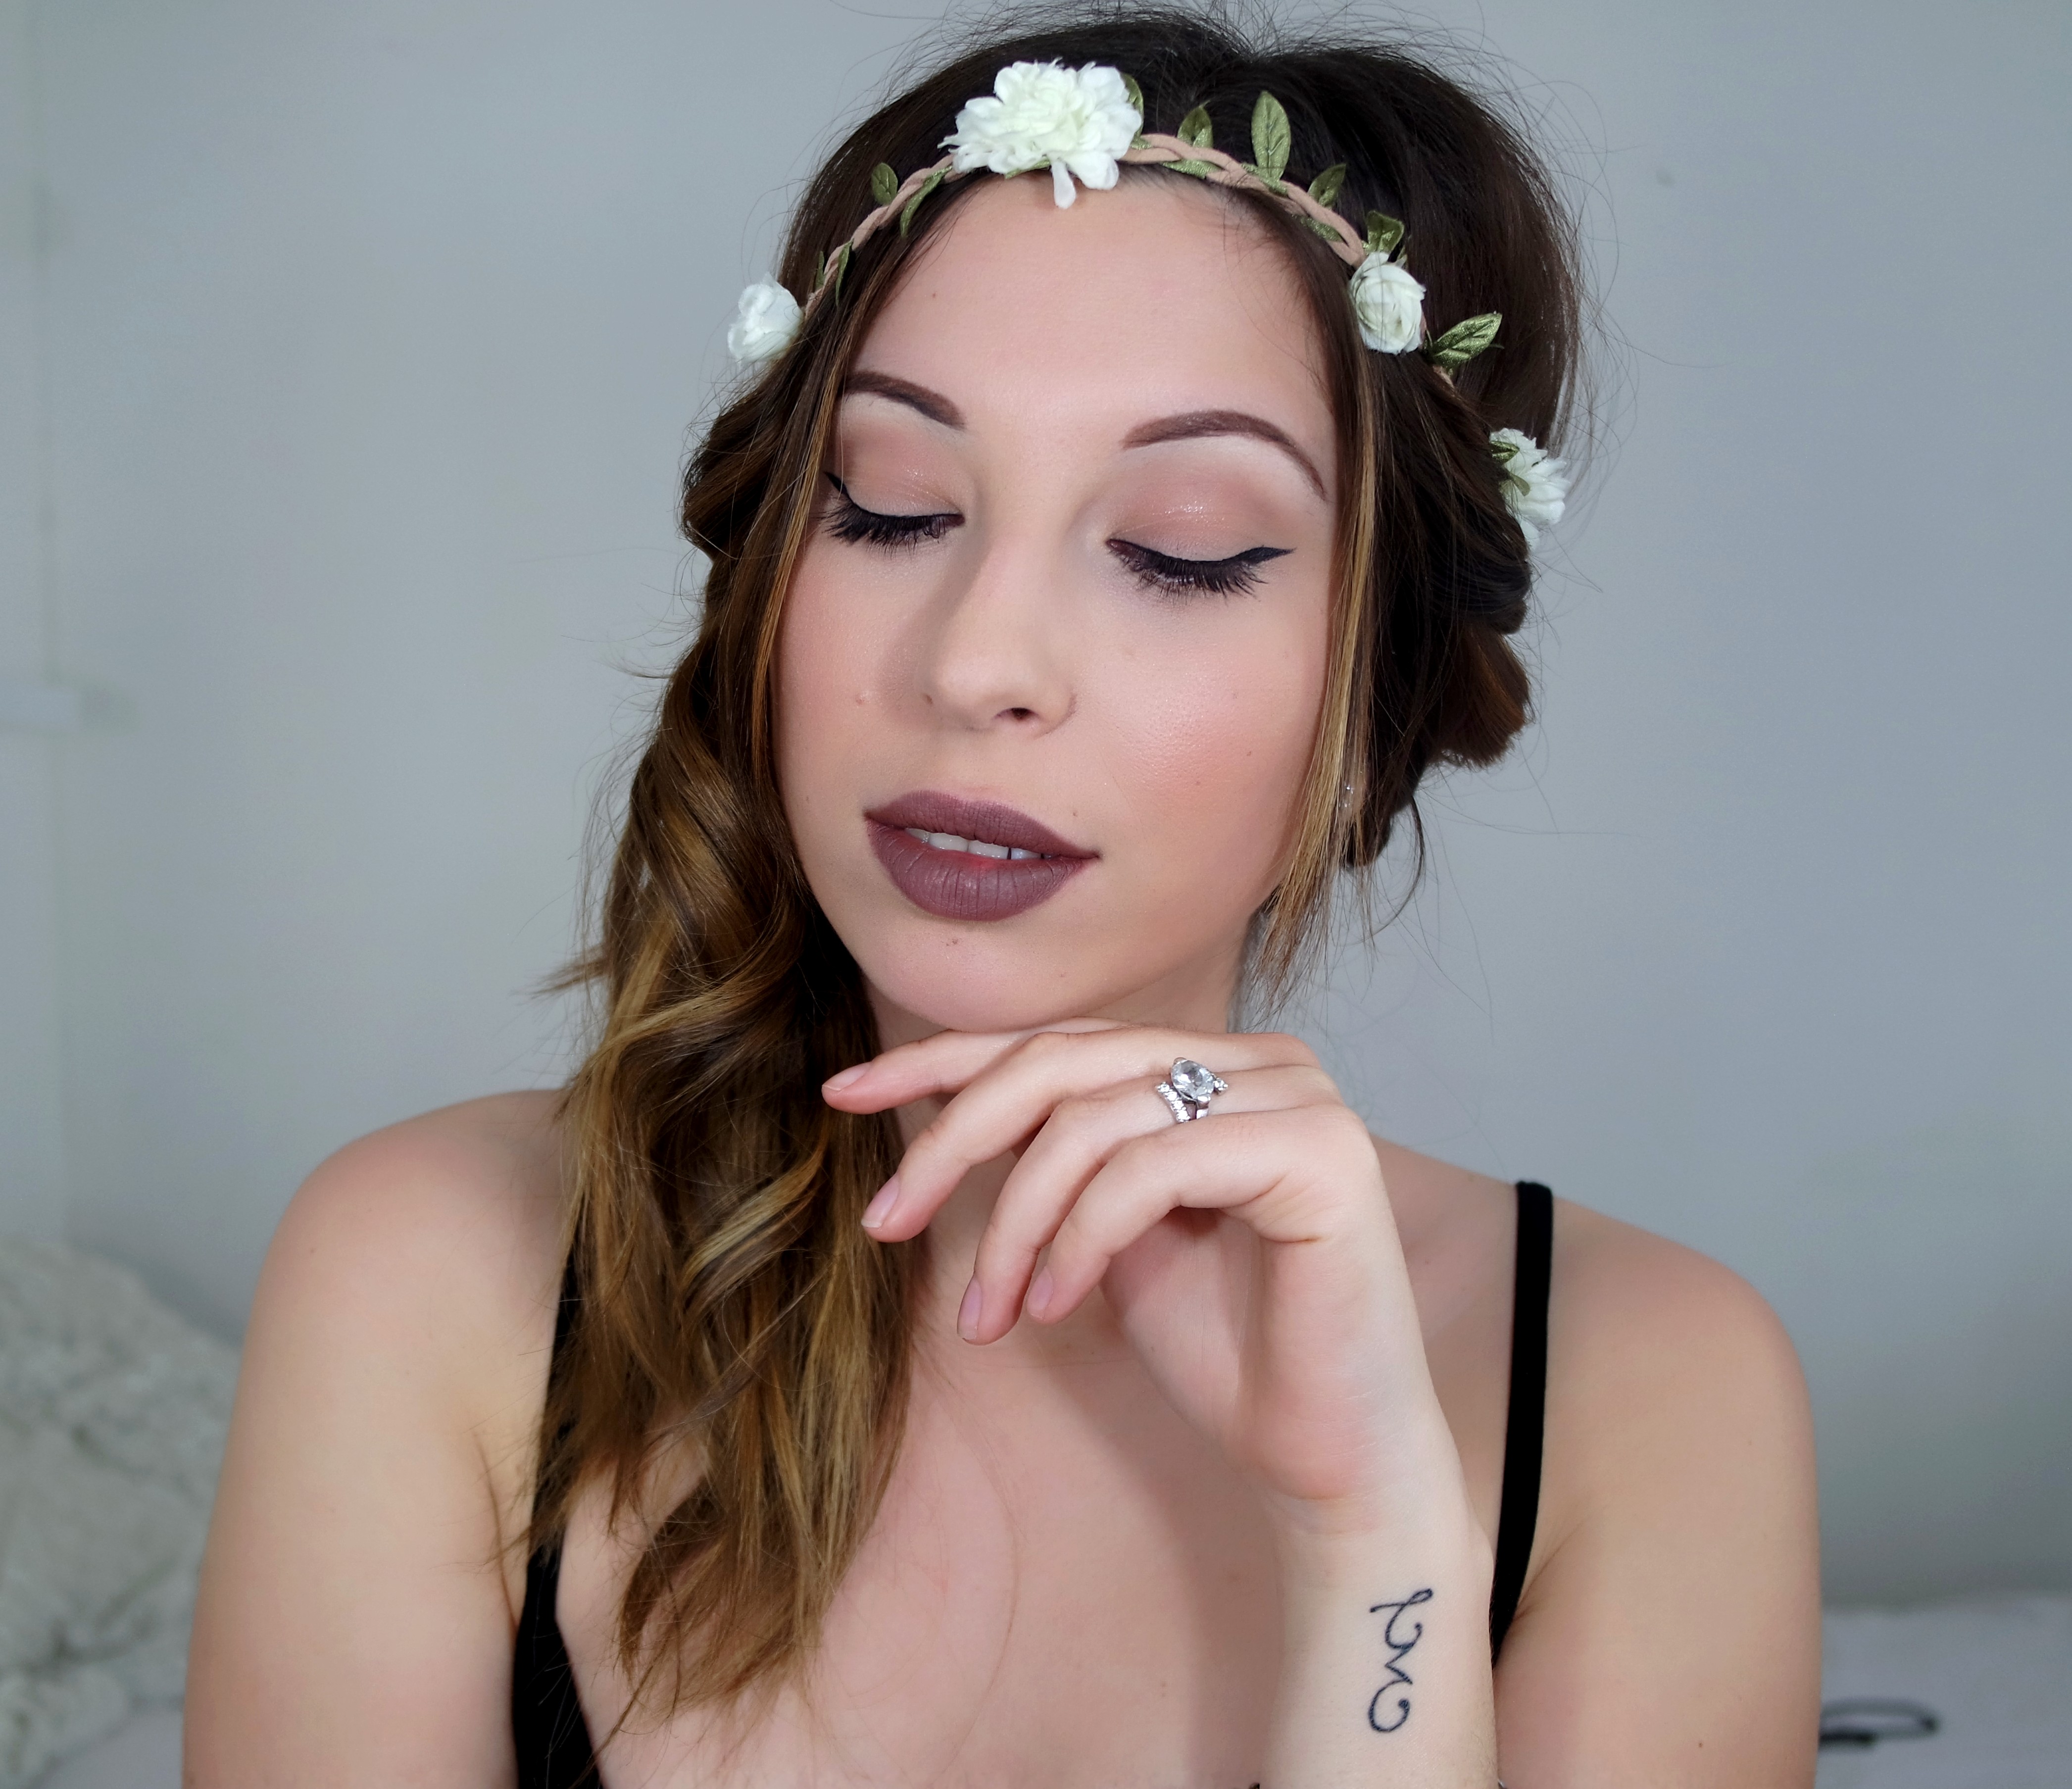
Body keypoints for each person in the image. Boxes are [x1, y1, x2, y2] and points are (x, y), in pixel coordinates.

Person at [186, 10, 1821, 1785]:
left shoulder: (1646, 1389)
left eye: (1182, 550)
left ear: (1375, 707)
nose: (976, 665)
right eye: (890, 510)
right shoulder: (435, 1274)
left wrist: (1372, 1551)